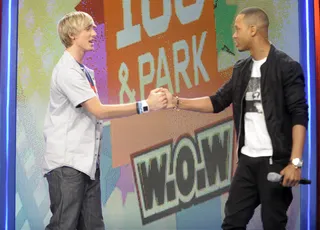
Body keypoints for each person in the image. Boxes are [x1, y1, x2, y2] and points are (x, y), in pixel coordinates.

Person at [162, 7, 308, 230]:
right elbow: (217, 101)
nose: (233, 35)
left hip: (275, 162)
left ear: (252, 30)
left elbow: (299, 114)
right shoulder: (241, 69)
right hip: (247, 162)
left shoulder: (286, 67)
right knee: (232, 223)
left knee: (273, 224)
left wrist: (295, 162)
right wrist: (178, 102)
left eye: (237, 29)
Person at [42, 11, 167, 230]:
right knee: (64, 225)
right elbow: (98, 111)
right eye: (88, 28)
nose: (94, 32)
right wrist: (145, 105)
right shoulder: (67, 71)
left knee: (93, 226)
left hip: (86, 164)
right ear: (72, 35)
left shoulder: (84, 71)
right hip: (68, 164)